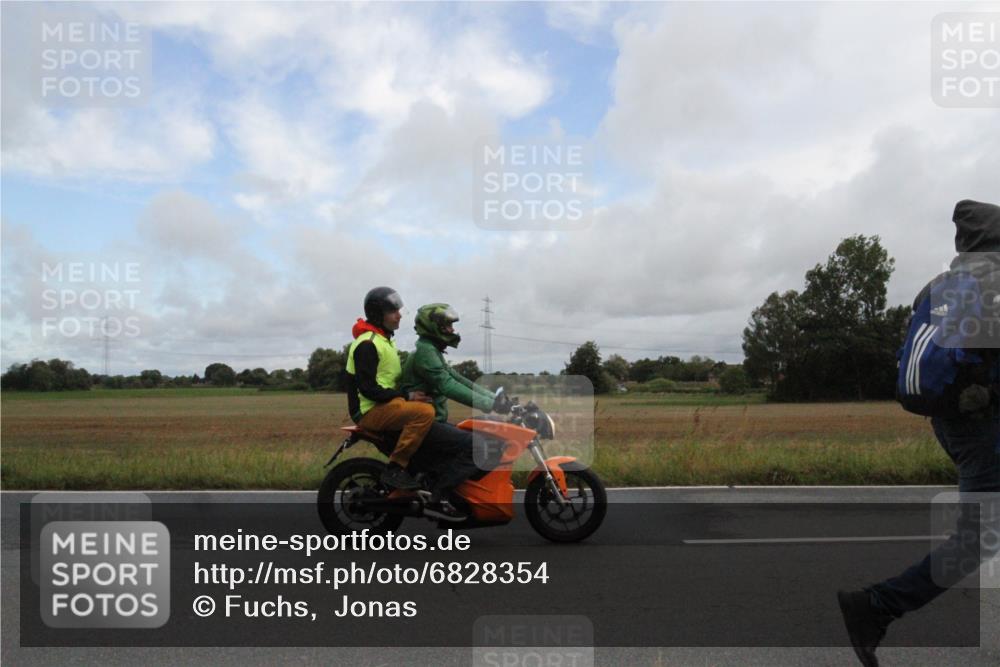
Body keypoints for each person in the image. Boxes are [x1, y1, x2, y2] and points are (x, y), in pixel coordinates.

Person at [837, 200, 1000, 667]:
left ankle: (878, 606)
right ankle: (877, 606)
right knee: (978, 540)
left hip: (950, 423)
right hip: (984, 425)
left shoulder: (941, 285)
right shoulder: (993, 282)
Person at [399, 303, 513, 520]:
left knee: (477, 439)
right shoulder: (425, 352)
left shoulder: (431, 351)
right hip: (425, 424)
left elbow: (458, 378)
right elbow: (447, 386)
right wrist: (491, 405)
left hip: (433, 421)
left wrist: (494, 399)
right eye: (447, 326)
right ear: (433, 327)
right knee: (477, 447)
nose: (452, 330)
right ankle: (438, 496)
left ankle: (449, 490)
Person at [344, 286, 435, 491]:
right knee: (424, 413)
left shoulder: (384, 341)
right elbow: (368, 389)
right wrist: (407, 395)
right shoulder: (367, 344)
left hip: (385, 405)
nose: (399, 315)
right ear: (378, 315)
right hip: (369, 411)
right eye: (393, 311)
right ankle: (396, 468)